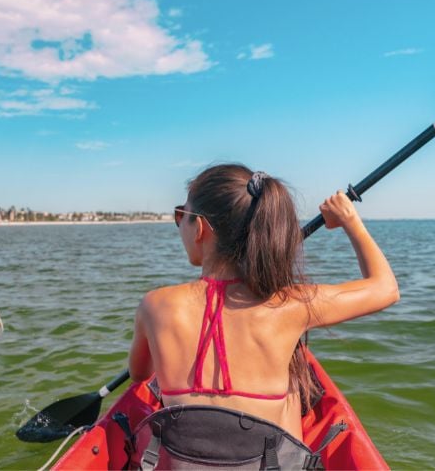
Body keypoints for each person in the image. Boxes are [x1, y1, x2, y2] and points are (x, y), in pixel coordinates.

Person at [127, 163, 399, 468]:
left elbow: (140, 374)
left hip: (183, 461)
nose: (180, 226)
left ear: (200, 228)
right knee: (294, 381)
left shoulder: (155, 305)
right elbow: (386, 288)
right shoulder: (291, 305)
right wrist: (351, 221)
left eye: (182, 216)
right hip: (265, 461)